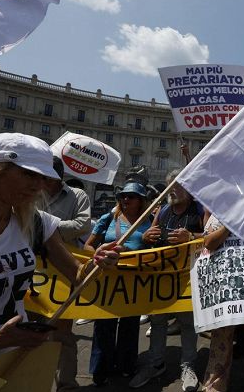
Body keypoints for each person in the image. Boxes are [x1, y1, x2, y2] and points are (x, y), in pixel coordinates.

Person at [0, 133, 120, 367]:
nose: (38, 186)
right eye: (28, 174)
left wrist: (99, 263)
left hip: (14, 365)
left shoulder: (37, 224)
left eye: (43, 177)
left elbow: (79, 277)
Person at [129, 169, 203, 391]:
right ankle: (155, 364)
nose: (173, 190)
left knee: (188, 324)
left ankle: (188, 366)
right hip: (161, 277)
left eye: (178, 186)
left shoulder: (199, 210)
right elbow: (149, 235)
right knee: (158, 322)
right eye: (170, 186)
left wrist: (190, 237)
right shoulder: (162, 211)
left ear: (189, 191)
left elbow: (210, 237)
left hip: (187, 278)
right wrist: (145, 236)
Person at [84, 181, 151, 387]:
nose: (125, 200)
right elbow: (88, 246)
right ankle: (100, 368)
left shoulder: (149, 222)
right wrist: (99, 253)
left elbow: (156, 252)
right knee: (104, 323)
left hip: (133, 280)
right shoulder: (108, 218)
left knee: (130, 324)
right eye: (122, 196)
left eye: (131, 197)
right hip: (108, 278)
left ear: (141, 201)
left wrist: (149, 241)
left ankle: (126, 365)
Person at [201, 214, 244, 392]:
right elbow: (209, 243)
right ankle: (215, 385)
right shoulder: (218, 214)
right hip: (224, 290)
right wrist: (230, 225)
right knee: (221, 340)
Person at [40, 156, 92, 391]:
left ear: (57, 177)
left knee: (63, 332)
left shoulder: (77, 196)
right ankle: (34, 379)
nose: (41, 180)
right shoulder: (32, 193)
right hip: (35, 273)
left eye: (46, 177)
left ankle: (67, 383)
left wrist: (46, 228)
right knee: (31, 330)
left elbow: (82, 224)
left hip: (63, 271)